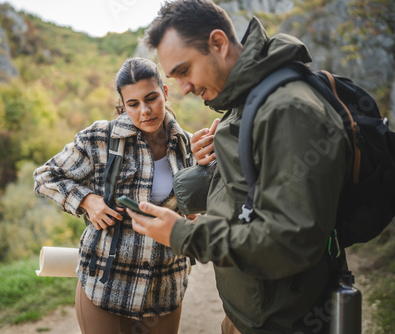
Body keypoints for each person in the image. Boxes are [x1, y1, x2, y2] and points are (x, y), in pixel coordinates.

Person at [128, 1, 351, 333]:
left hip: (285, 320)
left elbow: (291, 240)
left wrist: (183, 235)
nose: (185, 89)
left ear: (218, 44)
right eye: (176, 77)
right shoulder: (242, 103)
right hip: (248, 313)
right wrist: (213, 162)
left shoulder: (288, 110)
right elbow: (251, 193)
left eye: (185, 71)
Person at [33, 57, 194, 334]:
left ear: (165, 93)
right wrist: (87, 200)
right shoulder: (100, 138)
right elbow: (45, 176)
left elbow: (197, 206)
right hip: (104, 285)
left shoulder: (186, 145)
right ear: (123, 103)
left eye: (151, 98)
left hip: (165, 287)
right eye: (133, 104)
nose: (144, 111)